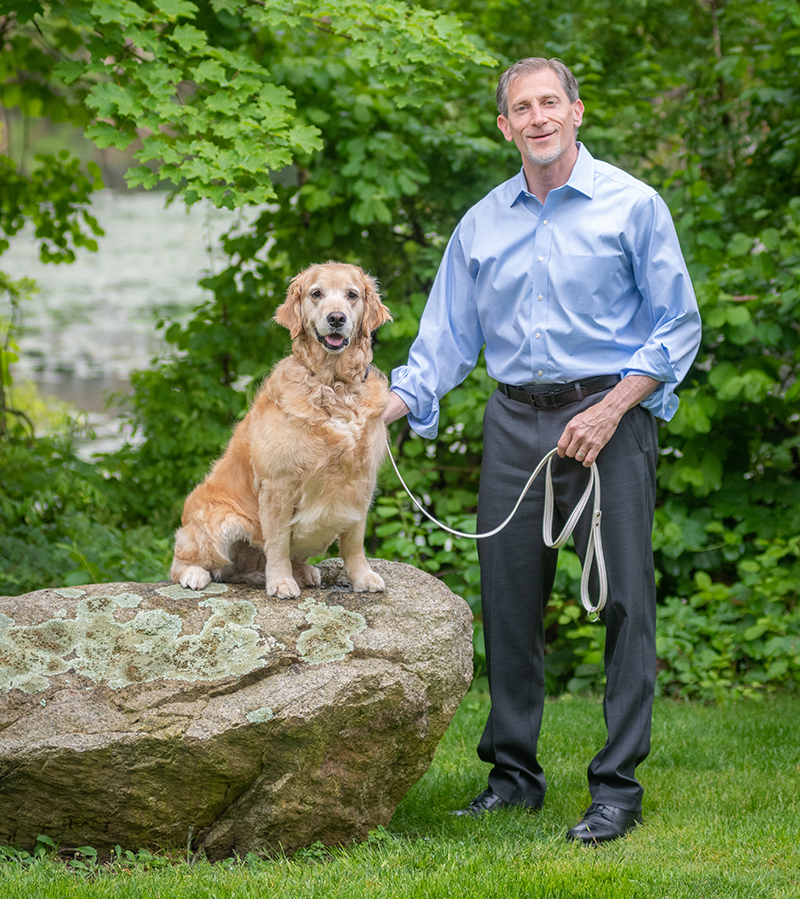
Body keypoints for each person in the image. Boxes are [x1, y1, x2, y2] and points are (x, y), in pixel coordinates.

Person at [383, 57, 701, 844]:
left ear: (576, 111)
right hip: (515, 421)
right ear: (504, 127)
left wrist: (616, 404)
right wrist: (379, 412)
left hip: (612, 416)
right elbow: (442, 344)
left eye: (549, 102)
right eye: (520, 108)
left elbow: (678, 325)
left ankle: (616, 788)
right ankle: (514, 777)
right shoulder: (480, 225)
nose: (537, 117)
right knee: (510, 601)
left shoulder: (634, 206)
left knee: (625, 600)